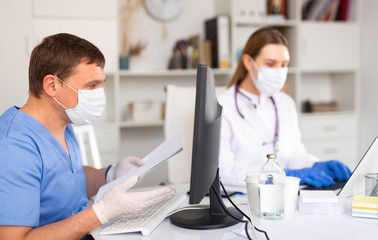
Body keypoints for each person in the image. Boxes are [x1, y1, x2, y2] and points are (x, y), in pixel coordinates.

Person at [0, 33, 175, 240]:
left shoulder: (62, 121)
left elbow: (64, 181)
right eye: (92, 86)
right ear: (52, 85)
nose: (99, 94)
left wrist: (109, 175)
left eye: (101, 84)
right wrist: (102, 212)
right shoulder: (14, 146)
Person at [218, 27, 351, 188]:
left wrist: (316, 165)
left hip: (286, 194)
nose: (279, 71)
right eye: (270, 63)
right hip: (243, 197)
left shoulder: (285, 102)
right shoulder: (222, 106)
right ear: (247, 62)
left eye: (284, 65)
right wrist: (281, 175)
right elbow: (224, 170)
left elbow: (294, 154)